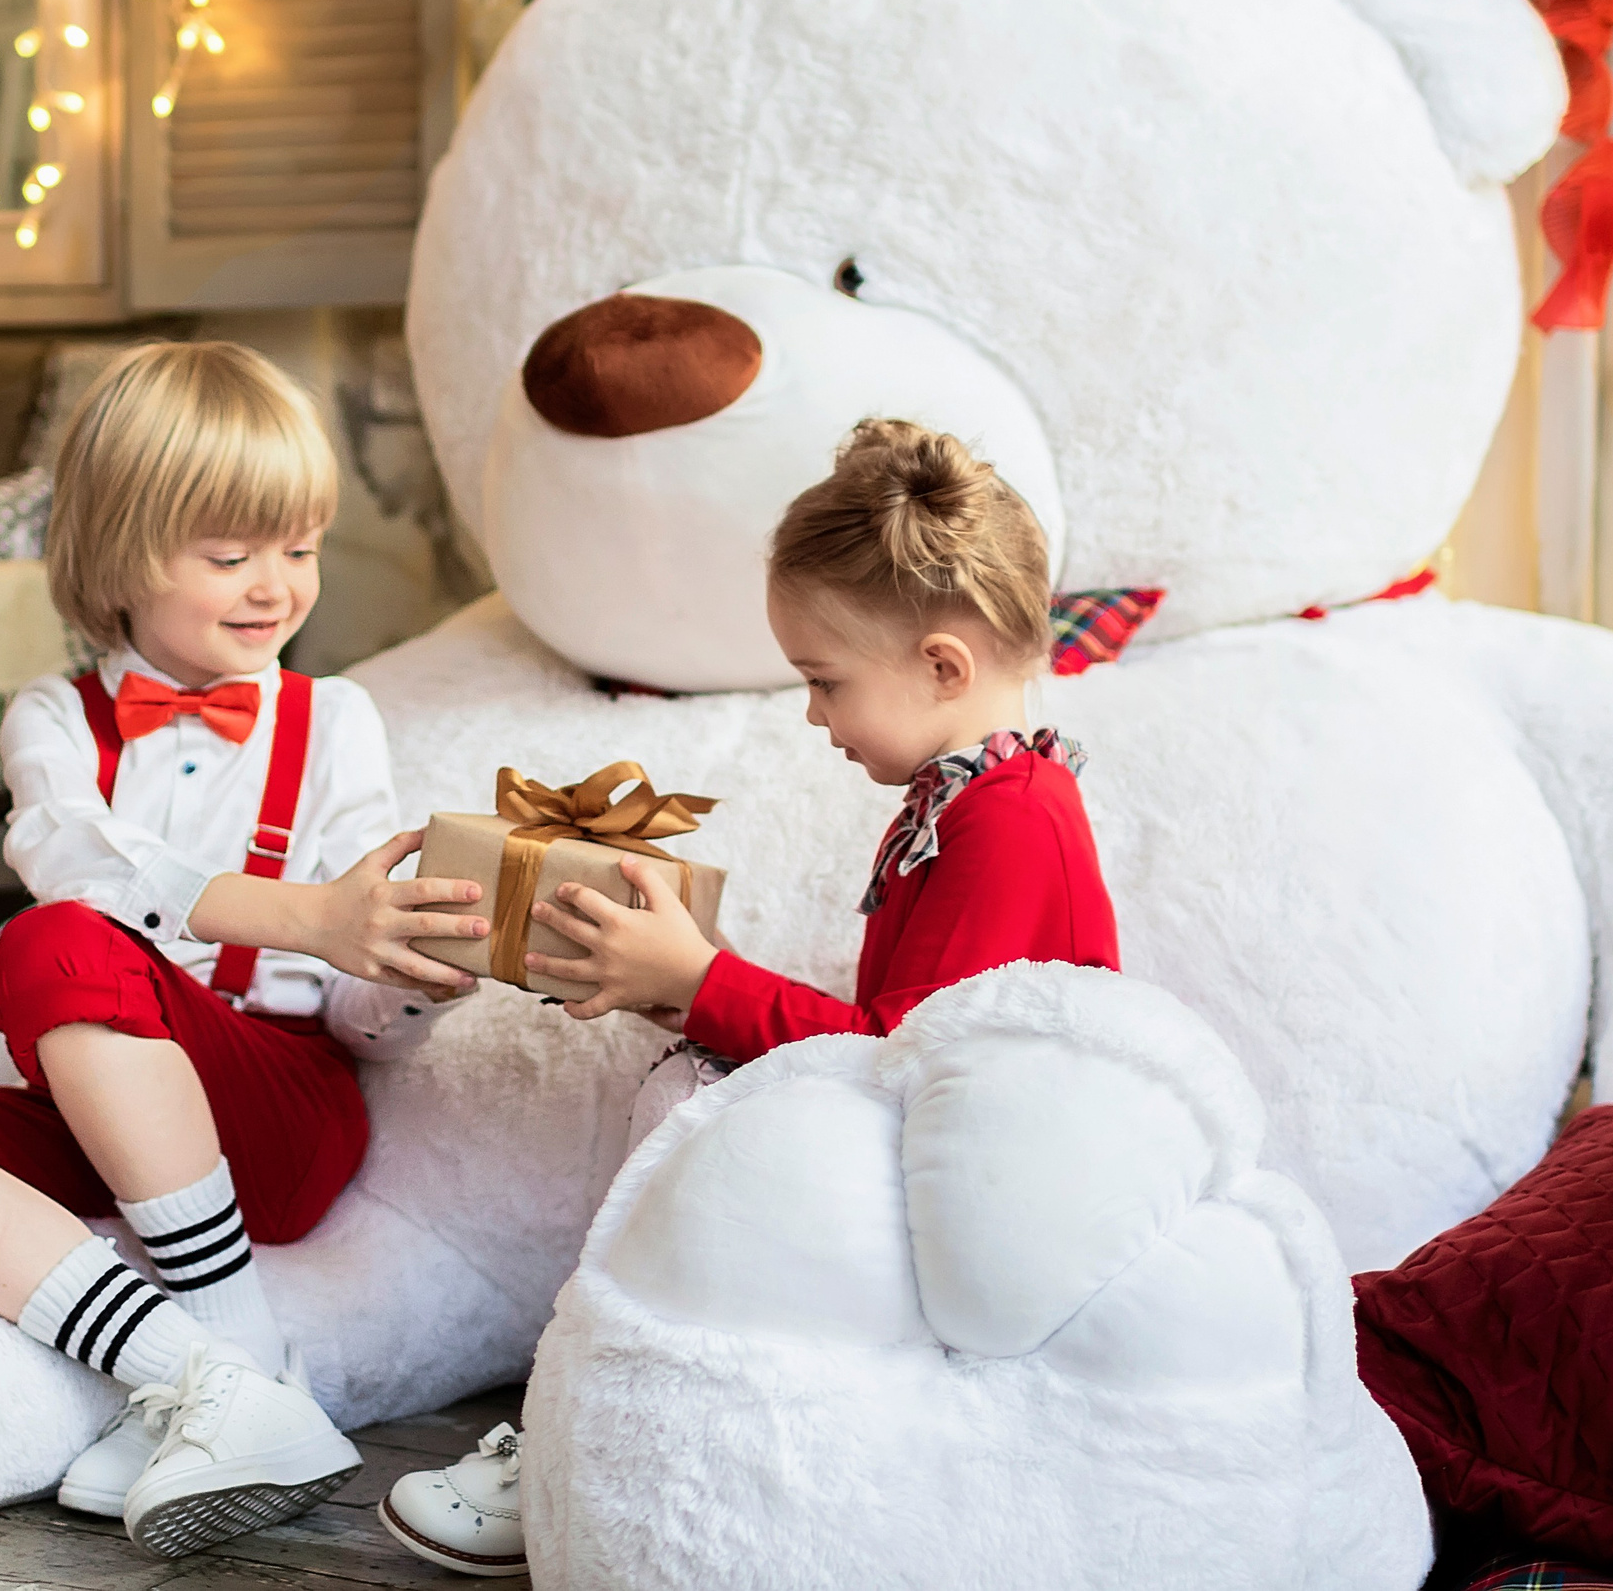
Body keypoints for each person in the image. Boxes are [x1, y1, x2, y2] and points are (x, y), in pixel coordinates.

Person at [375, 417, 1122, 1576]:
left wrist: (703, 985)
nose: (814, 715)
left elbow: (906, 1060)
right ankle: (596, 1428)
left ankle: (583, 1442)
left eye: (825, 682)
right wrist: (690, 988)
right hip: (944, 1176)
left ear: (941, 666)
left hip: (987, 1217)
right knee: (687, 1082)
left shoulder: (1009, 819)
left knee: (693, 1105)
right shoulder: (971, 799)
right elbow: (909, 1036)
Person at [0, 342, 492, 1557]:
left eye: (300, 549)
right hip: (99, 1120)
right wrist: (304, 912)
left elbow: (351, 1014)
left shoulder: (333, 721)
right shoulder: (54, 718)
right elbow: (76, 861)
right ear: (119, 557)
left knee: (55, 948)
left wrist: (408, 978)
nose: (274, 588)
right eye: (230, 557)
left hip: (280, 1107)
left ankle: (236, 1350)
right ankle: (201, 1379)